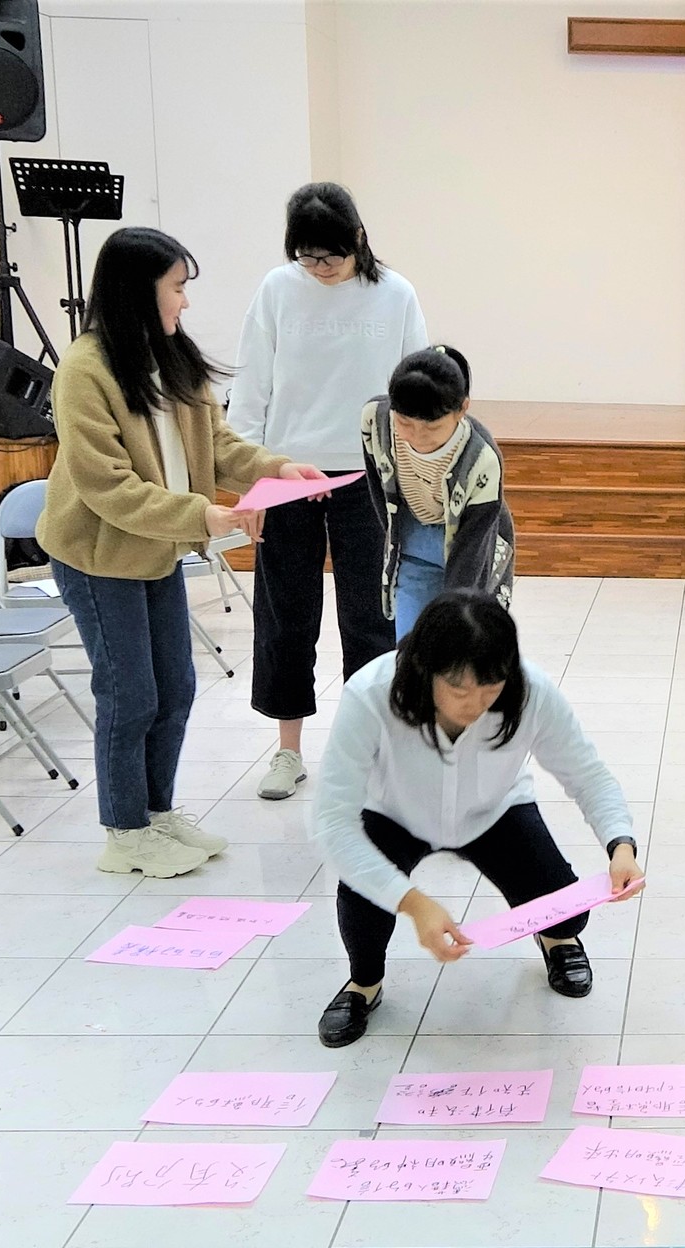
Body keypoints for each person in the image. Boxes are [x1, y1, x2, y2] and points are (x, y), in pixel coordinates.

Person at [38, 226, 318, 879]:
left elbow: (217, 445)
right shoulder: (84, 370)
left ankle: (156, 814)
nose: (185, 301)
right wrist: (203, 514)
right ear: (138, 291)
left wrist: (277, 469)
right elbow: (106, 486)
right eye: (177, 287)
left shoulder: (172, 356)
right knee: (129, 693)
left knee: (177, 686)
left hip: (155, 547)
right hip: (98, 555)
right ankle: (125, 832)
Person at [311, 591, 642, 1046]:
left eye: (490, 689)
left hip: (494, 810)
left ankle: (557, 940)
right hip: (395, 811)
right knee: (363, 901)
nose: (476, 704)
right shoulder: (371, 693)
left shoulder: (532, 691)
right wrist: (413, 902)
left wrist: (620, 845)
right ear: (424, 670)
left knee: (567, 915)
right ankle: (364, 984)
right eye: (459, 690)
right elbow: (332, 820)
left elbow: (587, 775)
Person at [231, 182, 428, 804]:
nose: (320, 268)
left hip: (367, 477)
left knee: (372, 617)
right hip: (288, 473)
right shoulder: (277, 289)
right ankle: (287, 751)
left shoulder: (395, 293)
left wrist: (416, 473)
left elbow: (417, 390)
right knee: (285, 616)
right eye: (308, 257)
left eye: (331, 257)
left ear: (358, 240)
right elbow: (251, 388)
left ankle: (370, 750)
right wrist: (252, 483)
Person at [358, 345, 513, 643]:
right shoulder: (375, 420)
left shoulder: (481, 458)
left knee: (459, 638)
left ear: (462, 409)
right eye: (404, 423)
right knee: (411, 647)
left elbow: (472, 551)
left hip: (470, 545)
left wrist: (455, 612)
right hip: (413, 541)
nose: (417, 436)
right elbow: (379, 488)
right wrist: (395, 539)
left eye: (432, 427)